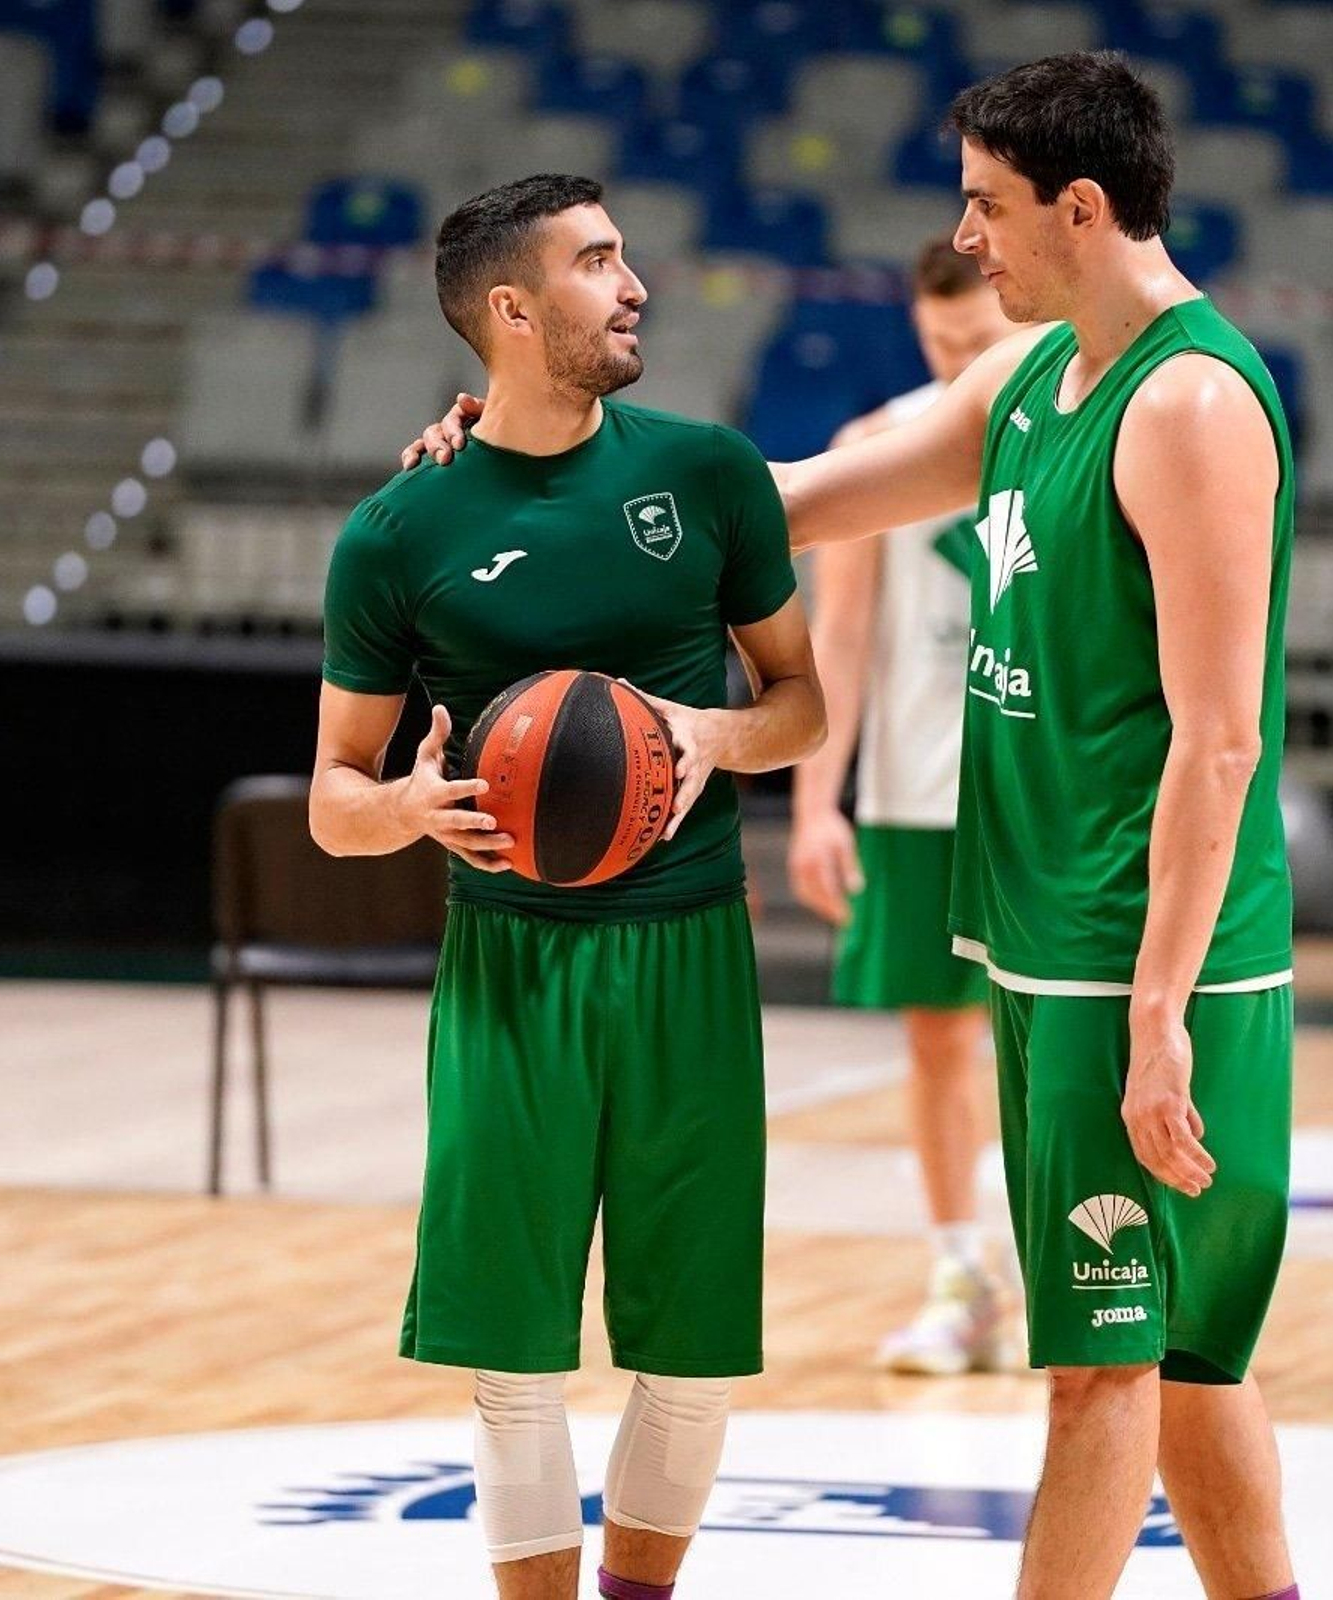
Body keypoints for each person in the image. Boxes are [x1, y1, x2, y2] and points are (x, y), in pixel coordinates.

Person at [407, 52, 1299, 1600]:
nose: (966, 240)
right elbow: (792, 496)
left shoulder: (1193, 403)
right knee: (1194, 1370)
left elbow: (1220, 748)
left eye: (988, 206)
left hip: (1142, 971)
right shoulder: (1034, 379)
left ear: (1081, 209)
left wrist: (1158, 1011)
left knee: (1097, 1378)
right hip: (1056, 948)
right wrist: (524, 463)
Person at [313, 173, 825, 1600]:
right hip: (511, 962)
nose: (636, 283)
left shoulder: (710, 474)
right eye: (600, 261)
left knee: (698, 1354)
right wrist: (411, 807)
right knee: (513, 1360)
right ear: (514, 309)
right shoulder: (397, 534)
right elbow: (332, 803)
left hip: (690, 956)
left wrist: (700, 736)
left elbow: (801, 705)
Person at [786, 237, 1026, 1376]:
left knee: (1065, 1043)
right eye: (939, 343)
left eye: (976, 340)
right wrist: (814, 804)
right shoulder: (875, 447)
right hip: (918, 792)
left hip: (1044, 793)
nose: (958, 357)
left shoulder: (1076, 423)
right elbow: (834, 638)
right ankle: (960, 1274)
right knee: (935, 1044)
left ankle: (1094, 1269)